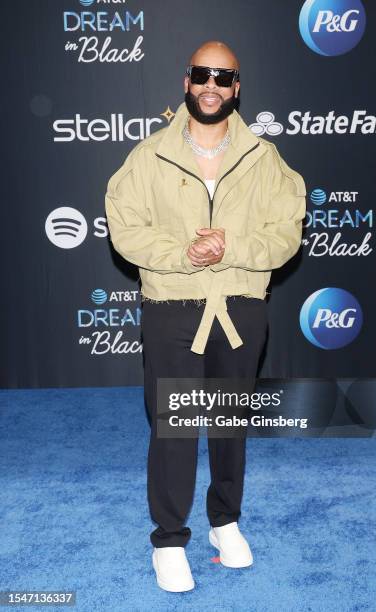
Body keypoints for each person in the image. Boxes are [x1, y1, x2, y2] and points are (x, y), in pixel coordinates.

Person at [105, 40, 306, 592]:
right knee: (173, 427)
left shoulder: (265, 159)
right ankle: (169, 538)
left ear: (237, 87)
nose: (211, 85)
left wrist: (232, 245)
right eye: (202, 74)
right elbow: (125, 227)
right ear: (186, 81)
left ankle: (225, 520)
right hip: (173, 304)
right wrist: (182, 253)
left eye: (223, 76)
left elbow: (286, 232)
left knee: (228, 424)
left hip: (241, 305)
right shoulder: (148, 156)